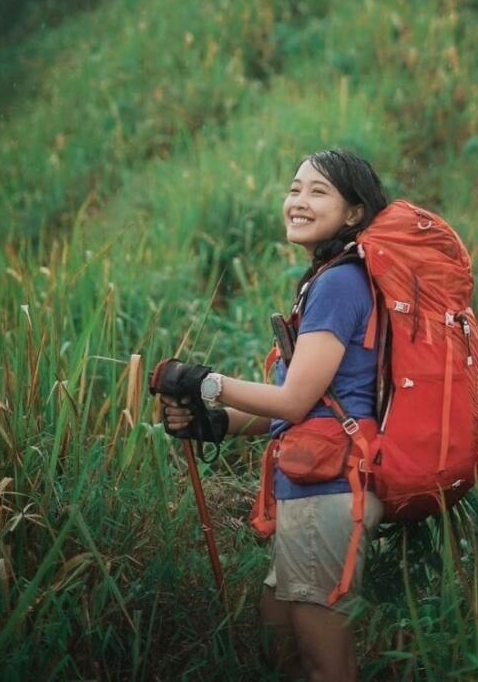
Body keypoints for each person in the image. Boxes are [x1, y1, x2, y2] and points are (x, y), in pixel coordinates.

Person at [161, 148, 389, 682]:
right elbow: (301, 408)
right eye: (294, 188)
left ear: (354, 212)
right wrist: (214, 421)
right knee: (280, 636)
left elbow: (291, 403)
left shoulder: (338, 283)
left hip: (327, 494)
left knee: (324, 663)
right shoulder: (330, 279)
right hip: (322, 488)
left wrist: (205, 382)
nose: (298, 202)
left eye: (318, 192)